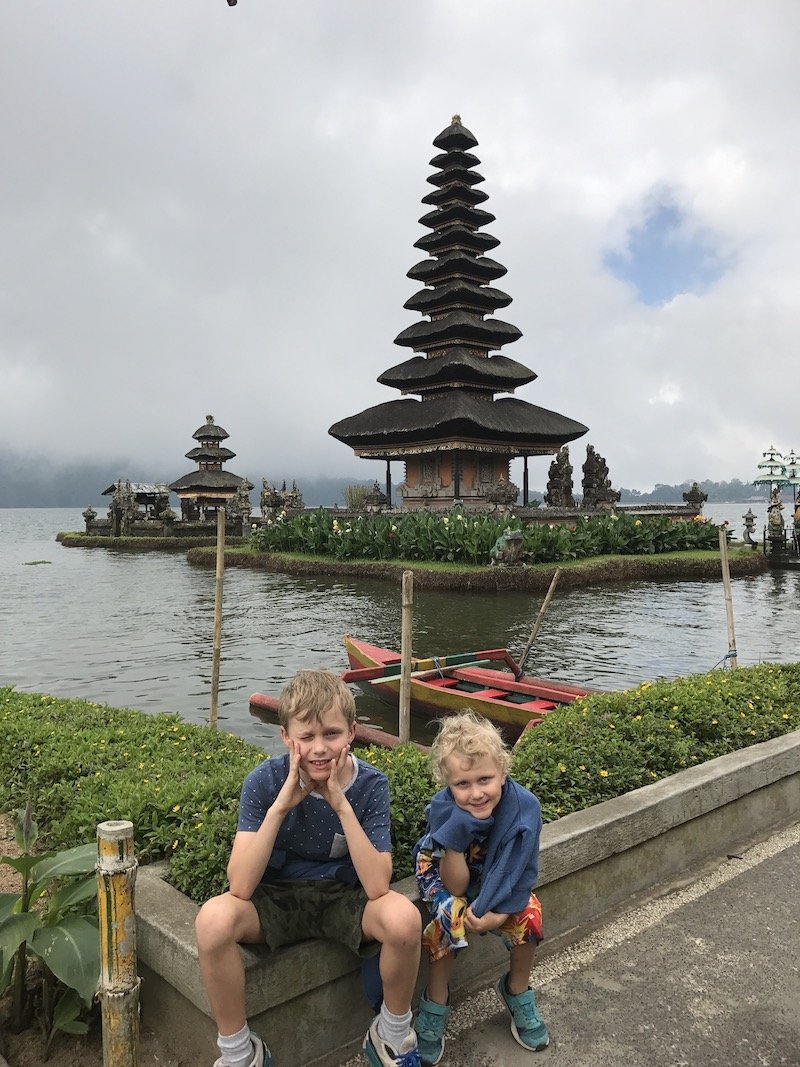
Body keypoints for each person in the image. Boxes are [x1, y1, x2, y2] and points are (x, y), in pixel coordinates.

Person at [195, 669, 422, 1067]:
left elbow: (377, 886)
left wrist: (341, 805)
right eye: (307, 737)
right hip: (277, 899)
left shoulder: (371, 785)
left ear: (352, 732)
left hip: (345, 898)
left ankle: (392, 1035)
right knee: (212, 921)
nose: (320, 749)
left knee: (404, 918)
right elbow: (241, 886)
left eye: (331, 734)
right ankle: (239, 1053)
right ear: (286, 737)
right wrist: (281, 806)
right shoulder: (263, 782)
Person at [412, 711, 548, 1065]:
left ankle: (516, 988)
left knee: (529, 913)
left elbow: (523, 866)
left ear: (503, 771)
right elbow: (455, 884)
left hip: (501, 876)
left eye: (485, 779)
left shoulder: (524, 809)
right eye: (462, 784)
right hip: (444, 867)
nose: (476, 793)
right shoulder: (445, 811)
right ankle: (436, 998)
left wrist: (498, 912)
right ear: (447, 783)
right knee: (448, 916)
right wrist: (456, 836)